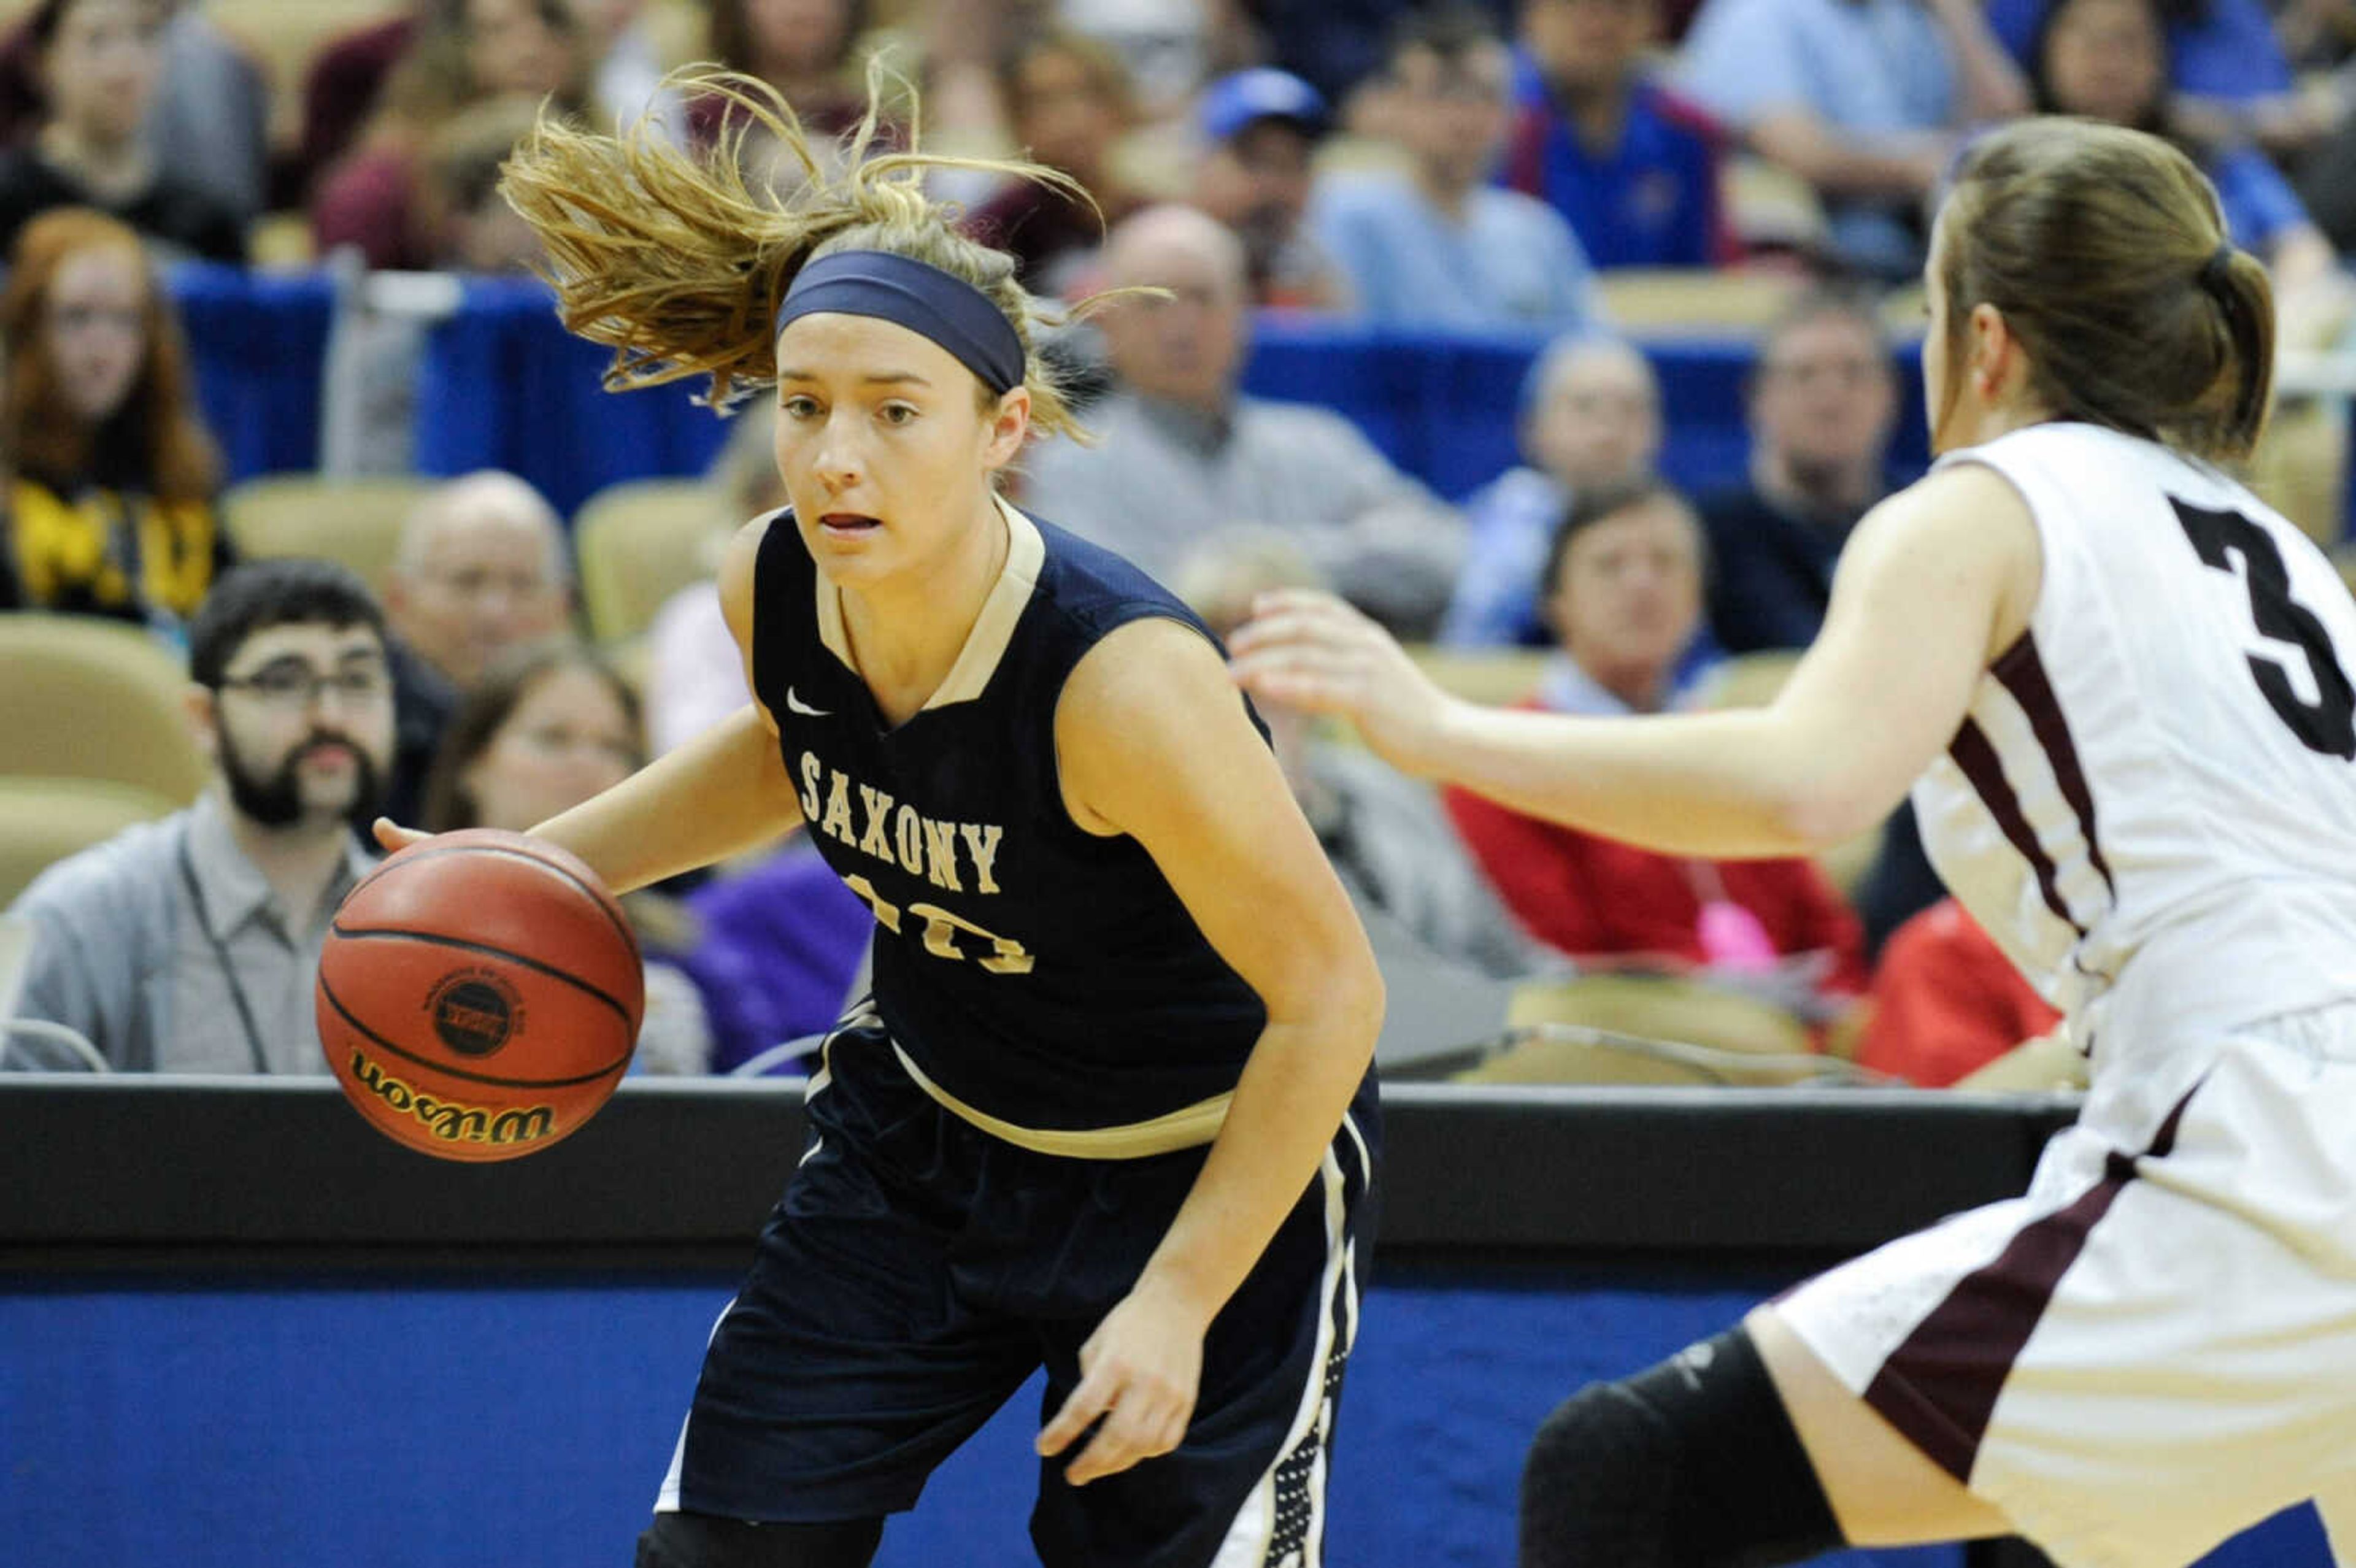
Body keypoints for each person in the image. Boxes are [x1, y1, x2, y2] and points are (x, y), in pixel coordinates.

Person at [1233, 113, 2356, 1567]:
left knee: (1624, 1473)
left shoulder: (1985, 501)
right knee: (2013, 1495)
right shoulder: (2279, 555)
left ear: (1985, 342)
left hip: (2263, 1158)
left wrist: (1433, 723)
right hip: (2283, 1127)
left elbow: (1799, 788)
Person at [387, 67, 1384, 1568]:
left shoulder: (1123, 686)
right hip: (922, 1138)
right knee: (719, 1554)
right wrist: (543, 862)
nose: (835, 456)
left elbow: (1330, 999)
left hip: (1195, 1168)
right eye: (805, 407)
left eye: (894, 412)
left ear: (1004, 430)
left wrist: (1176, 1301)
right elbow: (795, 744)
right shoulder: (772, 577)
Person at [1439, 477, 1865, 1010]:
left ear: (1700, 598)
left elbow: (1829, 939)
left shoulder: (1738, 747)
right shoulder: (1497, 761)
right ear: (1556, 602)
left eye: (1666, 563)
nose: (1642, 584)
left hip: (1800, 1049)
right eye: (1610, 565)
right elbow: (1554, 964)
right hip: (1621, 1051)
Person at [6, 558, 393, 1073]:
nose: (331, 715)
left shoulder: (420, 920)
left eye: (358, 679)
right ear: (204, 720)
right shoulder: (86, 918)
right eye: (283, 682)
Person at [1020, 201, 1465, 636]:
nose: (1183, 326)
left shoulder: (1318, 442)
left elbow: (1444, 552)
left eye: (1203, 298)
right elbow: (1088, 609)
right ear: (1109, 325)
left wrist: (1282, 562)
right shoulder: (1070, 463)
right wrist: (1223, 583)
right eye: (1154, 303)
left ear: (1243, 314)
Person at [420, 643, 716, 1076]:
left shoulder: (685, 954)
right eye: (553, 738)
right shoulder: (379, 913)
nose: (587, 764)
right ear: (472, 763)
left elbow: (771, 1115)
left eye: (613, 746)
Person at [1, 206, 229, 634]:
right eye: (76, 318)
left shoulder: (176, 470)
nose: (102, 349)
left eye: (125, 320)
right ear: (28, 330)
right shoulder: (11, 479)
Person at [1673, 0, 2027, 276]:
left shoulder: (1901, 17)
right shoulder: (1757, 14)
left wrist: (1957, 15)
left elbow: (2007, 120)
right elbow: (1801, 152)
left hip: (1924, 253)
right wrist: (1921, 167)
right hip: (1822, 266)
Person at [1307, 7, 1603, 334]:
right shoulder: (1345, 214)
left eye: (1487, 96)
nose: (1466, 118)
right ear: (1396, 106)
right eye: (1443, 94)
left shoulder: (1539, 233)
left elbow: (1594, 349)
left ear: (1514, 116)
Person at [1699, 286, 1903, 658]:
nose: (1830, 396)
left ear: (1889, 394)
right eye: (1804, 375)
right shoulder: (1704, 535)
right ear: (1756, 398)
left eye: (1853, 373)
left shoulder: (1924, 521)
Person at [1442, 332, 1663, 648]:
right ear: (1534, 428)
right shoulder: (1509, 522)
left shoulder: (1675, 527)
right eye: (1585, 408)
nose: (1609, 431)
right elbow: (1471, 654)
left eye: (1629, 410)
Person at [379, 469, 572, 826]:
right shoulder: (367, 725)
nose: (495, 612)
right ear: (399, 599)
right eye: (467, 581)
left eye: (523, 584)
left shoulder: (596, 721)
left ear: (563, 606)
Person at [0, 0, 245, 264]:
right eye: (97, 40)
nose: (123, 67)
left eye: (145, 35)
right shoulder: (9, 200)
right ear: (43, 62)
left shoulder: (206, 219)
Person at [1501, 0, 1729, 270]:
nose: (1598, 26)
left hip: (1655, 308)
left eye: (1620, 8)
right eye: (1574, 7)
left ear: (1653, 21)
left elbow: (1708, 272)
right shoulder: (1492, 124)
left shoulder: (1688, 132)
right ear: (1533, 17)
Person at [1190, 67, 1352, 310]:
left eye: (1292, 164)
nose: (1272, 185)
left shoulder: (1316, 275)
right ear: (1202, 163)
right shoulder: (1154, 260)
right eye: (1255, 160)